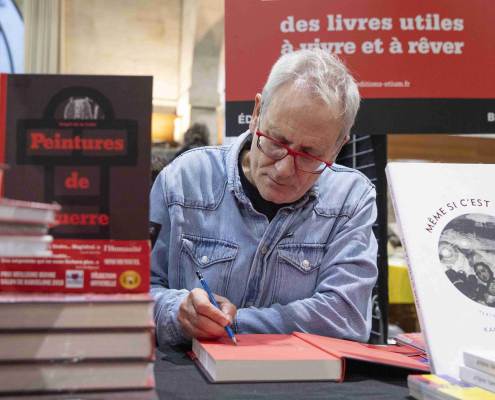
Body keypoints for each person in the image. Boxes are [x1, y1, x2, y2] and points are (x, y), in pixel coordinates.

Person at [149, 49, 378, 346]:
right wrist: (176, 311)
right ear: (257, 114)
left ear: (337, 149)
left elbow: (345, 317)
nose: (284, 170)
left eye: (309, 155)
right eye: (276, 141)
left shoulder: (351, 199)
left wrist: (233, 324)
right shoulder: (186, 178)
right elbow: (133, 291)